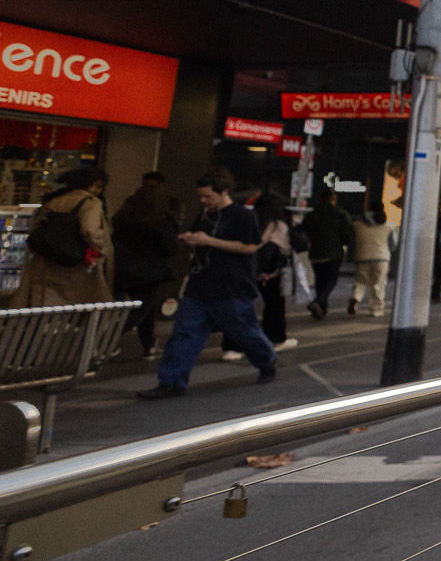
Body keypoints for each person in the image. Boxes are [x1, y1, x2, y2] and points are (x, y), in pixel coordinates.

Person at [136, 168, 278, 398]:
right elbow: (202, 240)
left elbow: (250, 247)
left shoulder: (242, 216)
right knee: (184, 333)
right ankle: (171, 381)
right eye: (201, 196)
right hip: (200, 283)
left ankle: (266, 360)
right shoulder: (205, 215)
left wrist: (209, 241)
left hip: (232, 285)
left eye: (208, 196)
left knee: (243, 331)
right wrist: (191, 241)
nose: (203, 201)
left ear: (224, 192)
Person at [11, 166, 114, 307]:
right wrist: (100, 249)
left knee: (45, 305)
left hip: (45, 263)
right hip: (75, 266)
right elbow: (90, 231)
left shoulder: (55, 200)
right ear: (96, 183)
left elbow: (36, 227)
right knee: (75, 307)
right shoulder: (90, 203)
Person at [111, 176, 180, 357]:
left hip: (122, 268)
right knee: (142, 308)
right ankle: (109, 341)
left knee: (142, 308)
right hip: (149, 270)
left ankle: (148, 344)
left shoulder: (123, 218)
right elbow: (169, 248)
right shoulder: (162, 221)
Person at [251, 192, 298, 353]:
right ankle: (276, 337)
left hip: (249, 269)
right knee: (275, 305)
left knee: (243, 306)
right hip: (272, 272)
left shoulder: (250, 221)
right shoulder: (278, 226)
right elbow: (285, 249)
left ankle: (233, 346)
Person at [302, 189, 351, 319]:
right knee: (330, 280)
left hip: (315, 253)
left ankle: (321, 309)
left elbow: (304, 230)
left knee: (320, 280)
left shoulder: (312, 215)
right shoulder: (340, 214)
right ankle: (318, 302)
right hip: (333, 253)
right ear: (333, 200)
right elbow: (347, 235)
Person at [350, 206, 394, 317]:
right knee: (378, 284)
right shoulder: (389, 226)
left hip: (362, 257)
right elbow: (393, 244)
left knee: (361, 281)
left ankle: (356, 297)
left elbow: (352, 241)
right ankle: (376, 309)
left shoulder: (357, 225)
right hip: (381, 258)